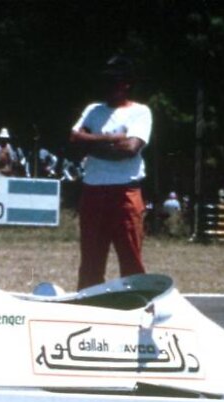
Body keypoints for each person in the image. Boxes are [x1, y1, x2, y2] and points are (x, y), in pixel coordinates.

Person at [70, 55, 152, 287]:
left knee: (131, 258)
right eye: (105, 81)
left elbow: (130, 148)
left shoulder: (140, 112)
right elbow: (75, 139)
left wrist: (91, 143)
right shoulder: (93, 110)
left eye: (114, 82)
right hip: (93, 191)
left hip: (125, 192)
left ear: (126, 84)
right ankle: (88, 306)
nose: (108, 87)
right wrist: (110, 138)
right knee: (91, 261)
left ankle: (135, 305)